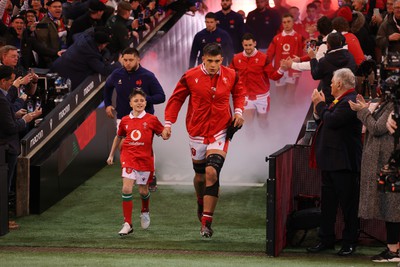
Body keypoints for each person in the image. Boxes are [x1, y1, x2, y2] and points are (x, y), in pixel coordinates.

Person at [163, 43, 245, 238]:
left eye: (217, 61)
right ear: (203, 59)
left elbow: (239, 92)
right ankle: (201, 200)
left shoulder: (231, 74)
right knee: (200, 176)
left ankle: (206, 222)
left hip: (220, 132)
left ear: (222, 59)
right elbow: (176, 99)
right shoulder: (190, 76)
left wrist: (239, 112)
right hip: (197, 132)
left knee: (211, 172)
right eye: (210, 61)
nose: (214, 65)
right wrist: (168, 124)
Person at [307, 68, 362, 256]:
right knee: (328, 205)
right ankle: (326, 239)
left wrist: (320, 104)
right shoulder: (340, 100)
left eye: (332, 81)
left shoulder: (350, 101)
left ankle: (349, 242)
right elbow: (325, 118)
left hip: (344, 164)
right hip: (331, 162)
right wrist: (320, 107)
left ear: (339, 83)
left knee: (348, 206)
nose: (330, 84)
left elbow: (331, 121)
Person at [104, 47, 165, 191]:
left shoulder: (148, 76)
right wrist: (107, 104)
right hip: (124, 117)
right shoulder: (117, 74)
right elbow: (107, 88)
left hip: (145, 119)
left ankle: (151, 174)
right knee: (124, 145)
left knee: (144, 147)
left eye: (131, 60)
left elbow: (161, 97)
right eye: (125, 60)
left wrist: (143, 99)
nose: (127, 63)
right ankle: (130, 172)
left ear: (138, 59)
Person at [106, 89, 166, 236]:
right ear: (130, 103)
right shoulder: (125, 120)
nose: (139, 103)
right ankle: (128, 223)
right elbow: (119, 137)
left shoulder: (152, 119)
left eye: (142, 101)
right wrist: (111, 155)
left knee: (143, 191)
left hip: (145, 161)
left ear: (146, 103)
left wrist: (167, 132)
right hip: (128, 158)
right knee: (126, 189)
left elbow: (163, 134)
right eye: (136, 101)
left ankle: (145, 210)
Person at [349, 94, 400, 262]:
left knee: (392, 206)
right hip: (387, 161)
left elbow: (377, 128)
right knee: (389, 205)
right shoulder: (389, 103)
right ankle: (393, 248)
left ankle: (394, 251)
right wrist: (366, 109)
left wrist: (363, 111)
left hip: (389, 161)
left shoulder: (394, 104)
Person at [0, 65, 41, 230]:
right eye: (11, 81)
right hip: (7, 148)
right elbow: (9, 128)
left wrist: (15, 115)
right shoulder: (2, 99)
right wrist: (26, 119)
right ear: (3, 81)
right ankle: (4, 220)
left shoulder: (4, 98)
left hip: (6, 147)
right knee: (4, 187)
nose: (12, 84)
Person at [229, 33, 286, 133]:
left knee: (262, 123)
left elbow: (273, 76)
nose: (248, 48)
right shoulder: (236, 59)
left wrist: (282, 69)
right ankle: (251, 145)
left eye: (250, 45)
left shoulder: (263, 58)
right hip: (246, 96)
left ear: (255, 43)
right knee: (247, 124)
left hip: (262, 97)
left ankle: (267, 138)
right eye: (246, 45)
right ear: (242, 44)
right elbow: (229, 75)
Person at [50, 29, 120, 90]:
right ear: (103, 44)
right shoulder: (90, 54)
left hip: (58, 65)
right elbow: (104, 70)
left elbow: (75, 35)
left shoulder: (86, 37)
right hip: (63, 75)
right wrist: (119, 63)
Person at [309, 32, 357, 104]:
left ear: (327, 45)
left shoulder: (324, 61)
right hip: (349, 98)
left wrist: (313, 58)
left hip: (330, 101)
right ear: (341, 43)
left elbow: (315, 75)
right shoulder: (351, 57)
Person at [266, 13, 303, 103]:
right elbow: (269, 55)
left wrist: (312, 35)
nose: (286, 24)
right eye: (284, 22)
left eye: (288, 22)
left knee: (290, 94)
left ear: (293, 22)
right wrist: (267, 67)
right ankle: (281, 114)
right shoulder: (276, 38)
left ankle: (291, 114)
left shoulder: (299, 37)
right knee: (280, 95)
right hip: (280, 69)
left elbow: (310, 49)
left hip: (293, 69)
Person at [35, 0, 66, 67]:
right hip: (52, 61)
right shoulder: (43, 23)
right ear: (49, 8)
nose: (58, 8)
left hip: (63, 57)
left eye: (59, 6)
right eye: (55, 7)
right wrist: (50, 62)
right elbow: (43, 45)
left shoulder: (62, 20)